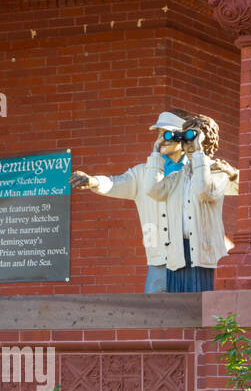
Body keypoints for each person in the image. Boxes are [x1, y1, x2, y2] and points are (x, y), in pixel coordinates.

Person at [73, 110, 236, 293]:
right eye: (159, 134)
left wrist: (231, 173)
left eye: (167, 133)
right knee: (157, 310)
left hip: (196, 256)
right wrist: (93, 181)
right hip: (159, 257)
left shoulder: (202, 170)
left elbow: (232, 187)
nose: (162, 139)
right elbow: (115, 183)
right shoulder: (145, 172)